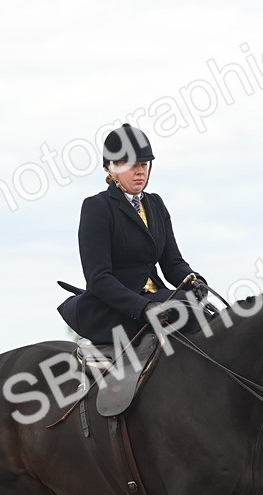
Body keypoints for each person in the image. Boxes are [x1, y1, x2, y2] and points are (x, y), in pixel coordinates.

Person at [57, 123, 209, 345]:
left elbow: (173, 263)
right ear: (111, 168)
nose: (140, 171)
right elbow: (98, 278)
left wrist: (194, 281)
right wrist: (142, 307)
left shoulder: (156, 204)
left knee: (208, 313)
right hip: (118, 308)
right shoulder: (97, 207)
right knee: (183, 305)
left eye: (144, 164)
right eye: (131, 165)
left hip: (158, 300)